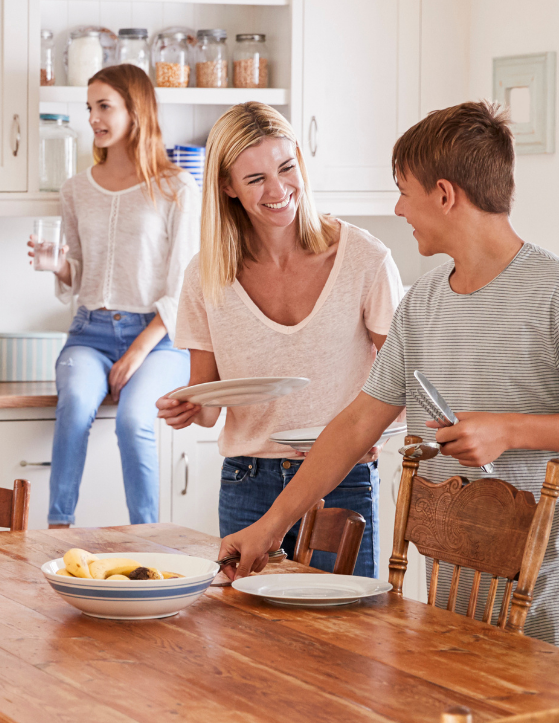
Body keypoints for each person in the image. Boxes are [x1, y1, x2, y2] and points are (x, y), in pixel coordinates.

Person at [216, 100, 559, 723]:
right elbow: (354, 426)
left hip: (554, 574)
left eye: (404, 189)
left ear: (445, 195)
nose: (397, 208)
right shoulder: (423, 304)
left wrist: (513, 428)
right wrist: (271, 527)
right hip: (465, 575)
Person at [156, 102, 403, 575]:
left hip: (341, 478)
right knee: (247, 636)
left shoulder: (364, 258)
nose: (278, 190)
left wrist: (379, 431)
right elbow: (209, 406)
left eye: (286, 168)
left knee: (345, 636)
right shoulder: (206, 275)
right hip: (248, 478)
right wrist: (187, 407)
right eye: (255, 179)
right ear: (227, 187)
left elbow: (401, 375)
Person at [31, 64, 200, 527]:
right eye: (90, 108)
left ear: (135, 111)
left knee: (132, 421)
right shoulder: (76, 190)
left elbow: (185, 284)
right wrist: (57, 265)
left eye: (105, 106)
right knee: (75, 407)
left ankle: (146, 536)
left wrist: (137, 353)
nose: (94, 118)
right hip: (91, 332)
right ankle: (56, 528)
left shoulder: (176, 187)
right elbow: (80, 271)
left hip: (160, 339)